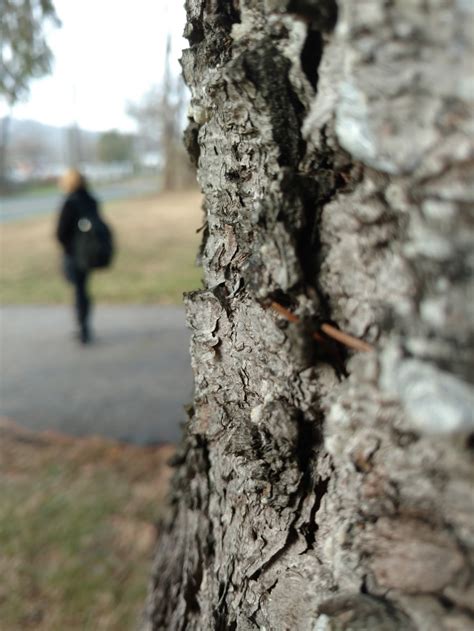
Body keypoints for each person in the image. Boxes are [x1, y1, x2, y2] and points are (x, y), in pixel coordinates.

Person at [56, 169, 99, 344]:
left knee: (79, 290)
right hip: (89, 253)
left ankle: (83, 328)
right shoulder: (91, 200)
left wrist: (69, 248)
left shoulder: (70, 202)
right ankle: (85, 325)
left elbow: (60, 233)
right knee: (83, 288)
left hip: (74, 254)